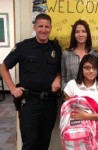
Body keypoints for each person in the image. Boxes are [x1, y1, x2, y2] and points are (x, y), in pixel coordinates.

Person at [0, 14, 62, 150]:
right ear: (34, 27)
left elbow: (59, 69)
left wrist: (58, 78)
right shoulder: (23, 47)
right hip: (29, 104)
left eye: (47, 27)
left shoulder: (55, 49)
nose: (43, 30)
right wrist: (12, 88)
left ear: (51, 28)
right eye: (40, 26)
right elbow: (3, 67)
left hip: (49, 103)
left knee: (45, 142)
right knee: (29, 144)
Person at [62, 54, 98, 149]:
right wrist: (63, 138)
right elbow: (65, 114)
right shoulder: (72, 85)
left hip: (93, 134)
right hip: (74, 132)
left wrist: (87, 116)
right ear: (81, 69)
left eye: (94, 68)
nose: (91, 71)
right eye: (87, 68)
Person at [61, 19, 98, 91]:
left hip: (90, 97)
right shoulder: (66, 54)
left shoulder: (95, 54)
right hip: (71, 97)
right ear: (74, 35)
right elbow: (63, 77)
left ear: (87, 34)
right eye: (77, 32)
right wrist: (66, 92)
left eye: (83, 31)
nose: (80, 34)